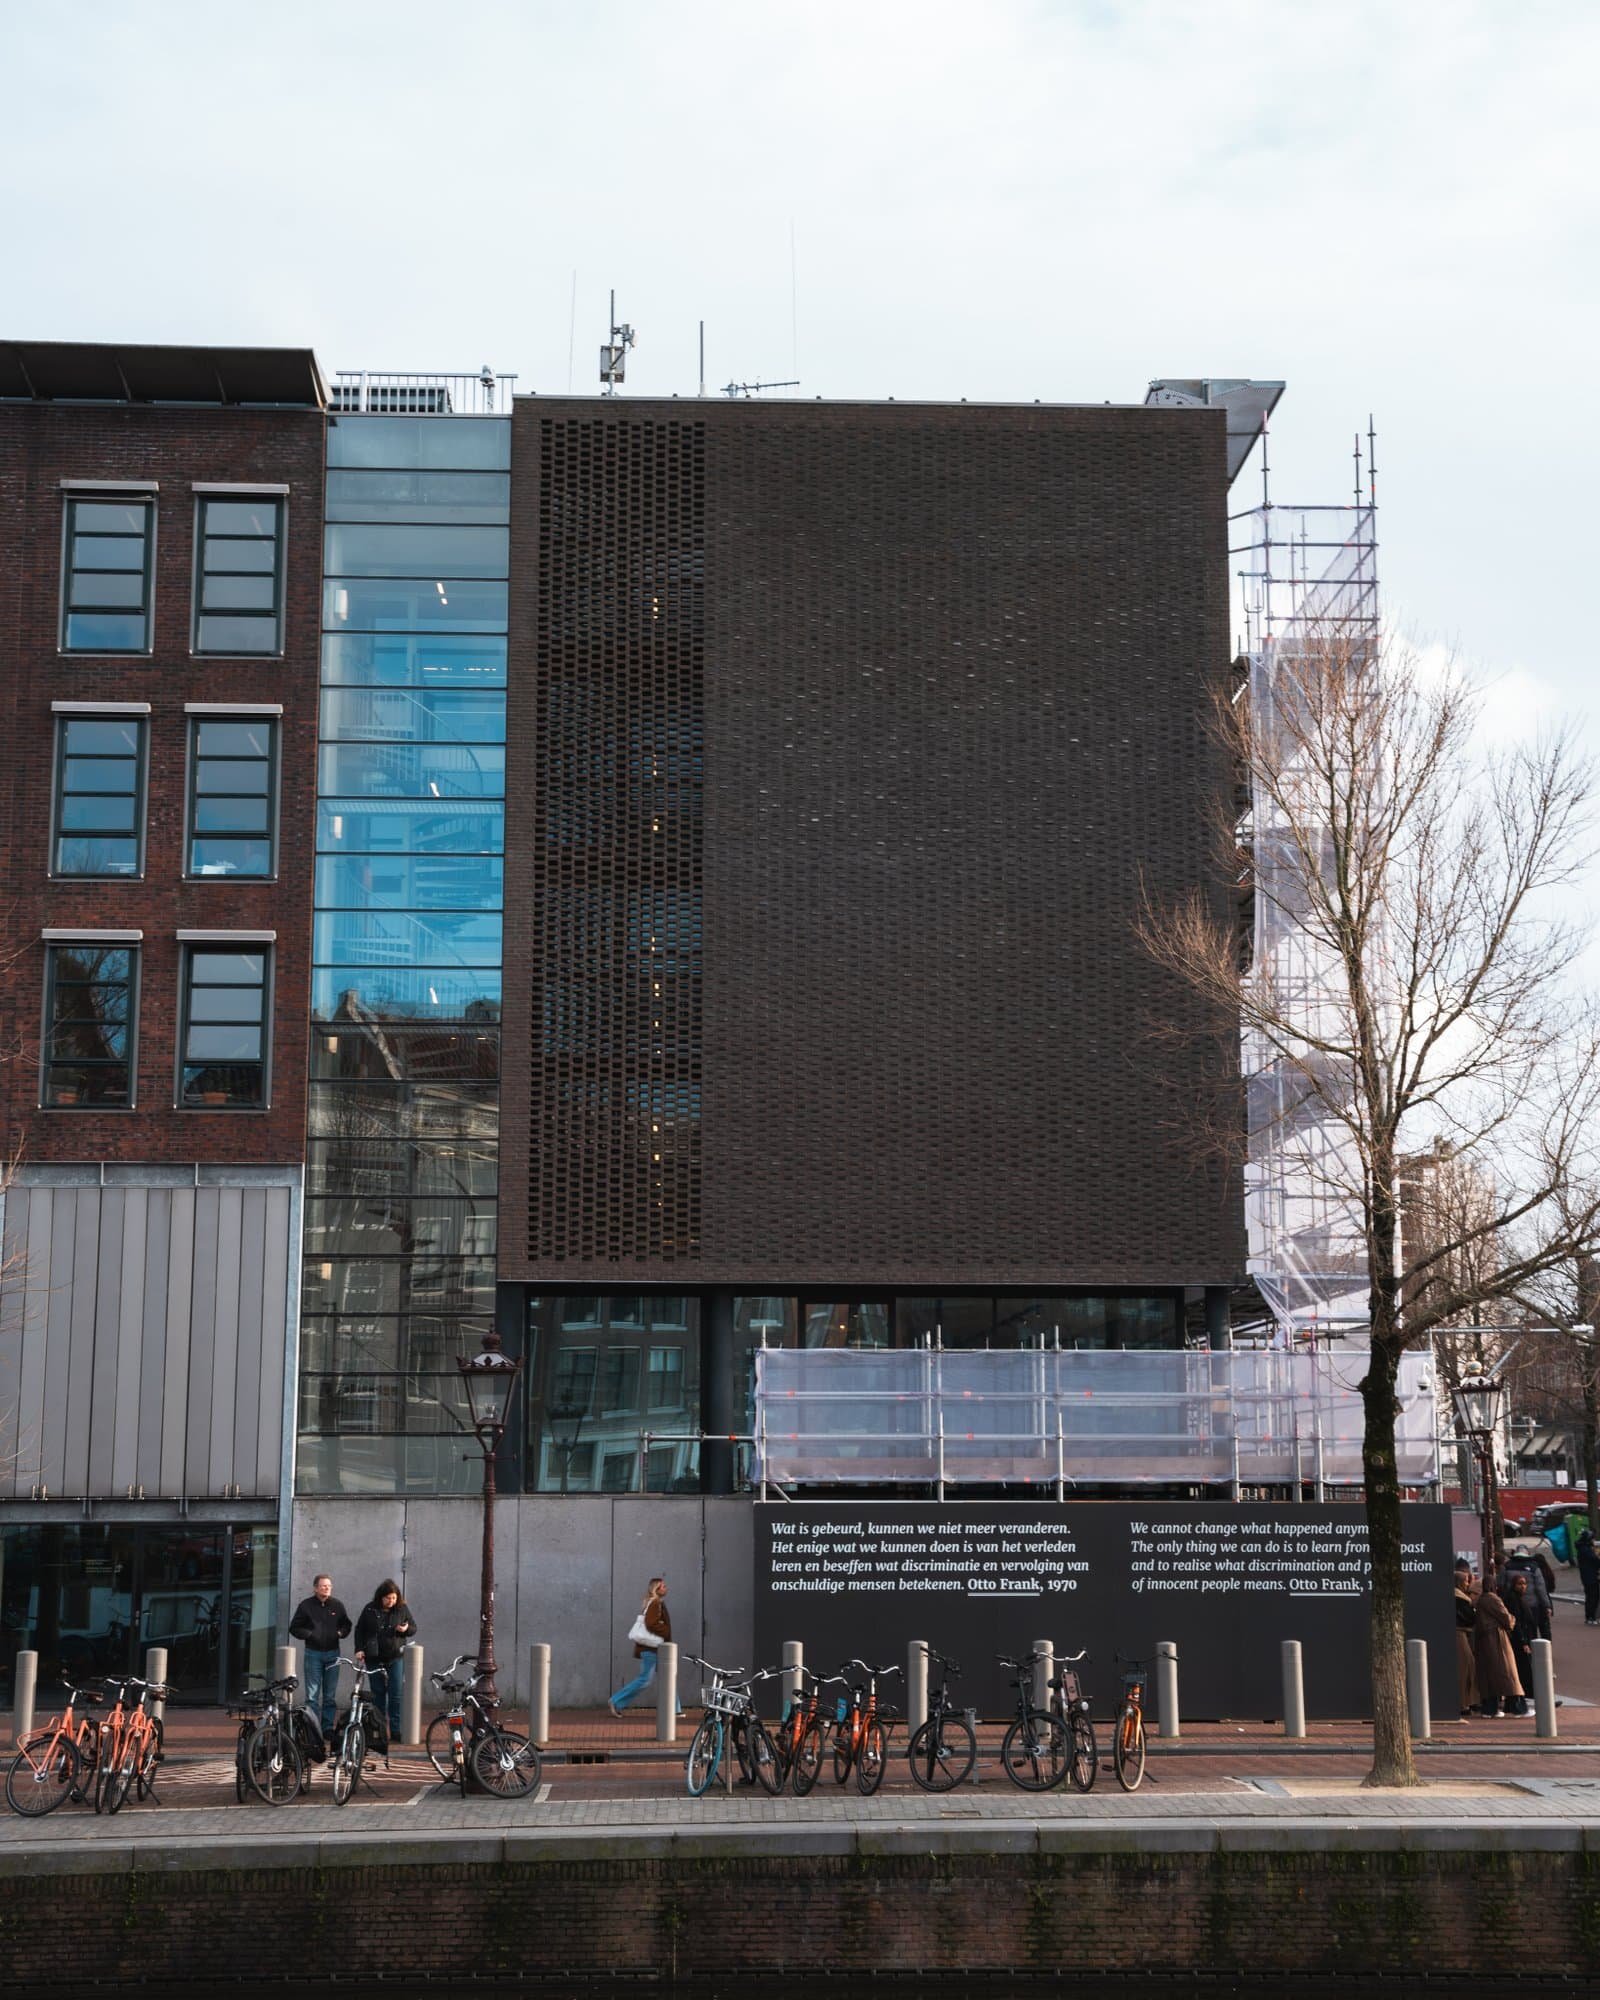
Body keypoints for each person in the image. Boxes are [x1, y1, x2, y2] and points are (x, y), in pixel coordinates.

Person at [354, 1578, 418, 1750]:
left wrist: (405, 1630)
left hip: (395, 1656)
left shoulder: (401, 1609)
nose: (391, 1601)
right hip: (374, 1657)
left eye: (394, 1598)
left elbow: (413, 1627)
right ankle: (380, 1729)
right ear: (381, 1597)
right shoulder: (369, 1609)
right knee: (378, 1694)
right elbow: (359, 1629)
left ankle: (395, 1729)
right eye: (388, 1598)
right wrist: (359, 1649)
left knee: (395, 1694)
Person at [607, 1576, 681, 1717]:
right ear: (656, 1589)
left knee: (669, 1676)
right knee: (645, 1680)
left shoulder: (654, 1602)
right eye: (663, 1586)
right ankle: (616, 1700)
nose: (666, 1588)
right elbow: (651, 1623)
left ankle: (675, 1709)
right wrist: (666, 1630)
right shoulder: (655, 1603)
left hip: (658, 1649)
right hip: (651, 1649)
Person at [288, 1573, 352, 1733]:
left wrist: (340, 1633)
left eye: (329, 1586)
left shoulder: (337, 1605)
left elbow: (347, 1624)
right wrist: (310, 1635)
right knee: (312, 1696)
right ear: (315, 1588)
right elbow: (294, 1628)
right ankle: (313, 1729)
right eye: (324, 1586)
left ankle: (328, 1728)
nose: (327, 1588)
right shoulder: (306, 1606)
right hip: (313, 1654)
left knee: (329, 1695)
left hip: (333, 1653)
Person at [1503, 1567, 1549, 1717]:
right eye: (1519, 1584)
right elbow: (1516, 1622)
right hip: (1519, 1643)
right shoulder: (1513, 1600)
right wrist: (1523, 1642)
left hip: (1524, 1640)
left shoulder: (1520, 1599)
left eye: (1524, 1584)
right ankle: (1527, 1701)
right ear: (1513, 1585)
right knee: (1523, 1672)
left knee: (1523, 1672)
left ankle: (1515, 1703)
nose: (1523, 1586)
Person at [1471, 1585, 1522, 1719]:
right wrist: (1512, 1619)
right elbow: (1507, 1619)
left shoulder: (1479, 1601)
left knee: (1489, 1676)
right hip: (1497, 1640)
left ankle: (1491, 1709)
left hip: (1484, 1641)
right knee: (1508, 1673)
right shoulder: (1493, 1599)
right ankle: (1518, 1707)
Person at [1453, 1564, 1479, 1716]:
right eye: (1465, 1581)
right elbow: (1470, 1618)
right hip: (1460, 1635)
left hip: (1462, 1635)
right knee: (1466, 1668)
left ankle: (1466, 1701)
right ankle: (1464, 1703)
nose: (1468, 1584)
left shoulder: (1460, 1597)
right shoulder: (1460, 1599)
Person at [1576, 1528, 1599, 1626]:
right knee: (1592, 1596)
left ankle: (1591, 1616)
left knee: (1592, 1596)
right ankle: (1590, 1617)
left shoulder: (1583, 1548)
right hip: (1590, 1577)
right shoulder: (1586, 1550)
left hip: (1588, 1576)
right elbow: (1595, 1560)